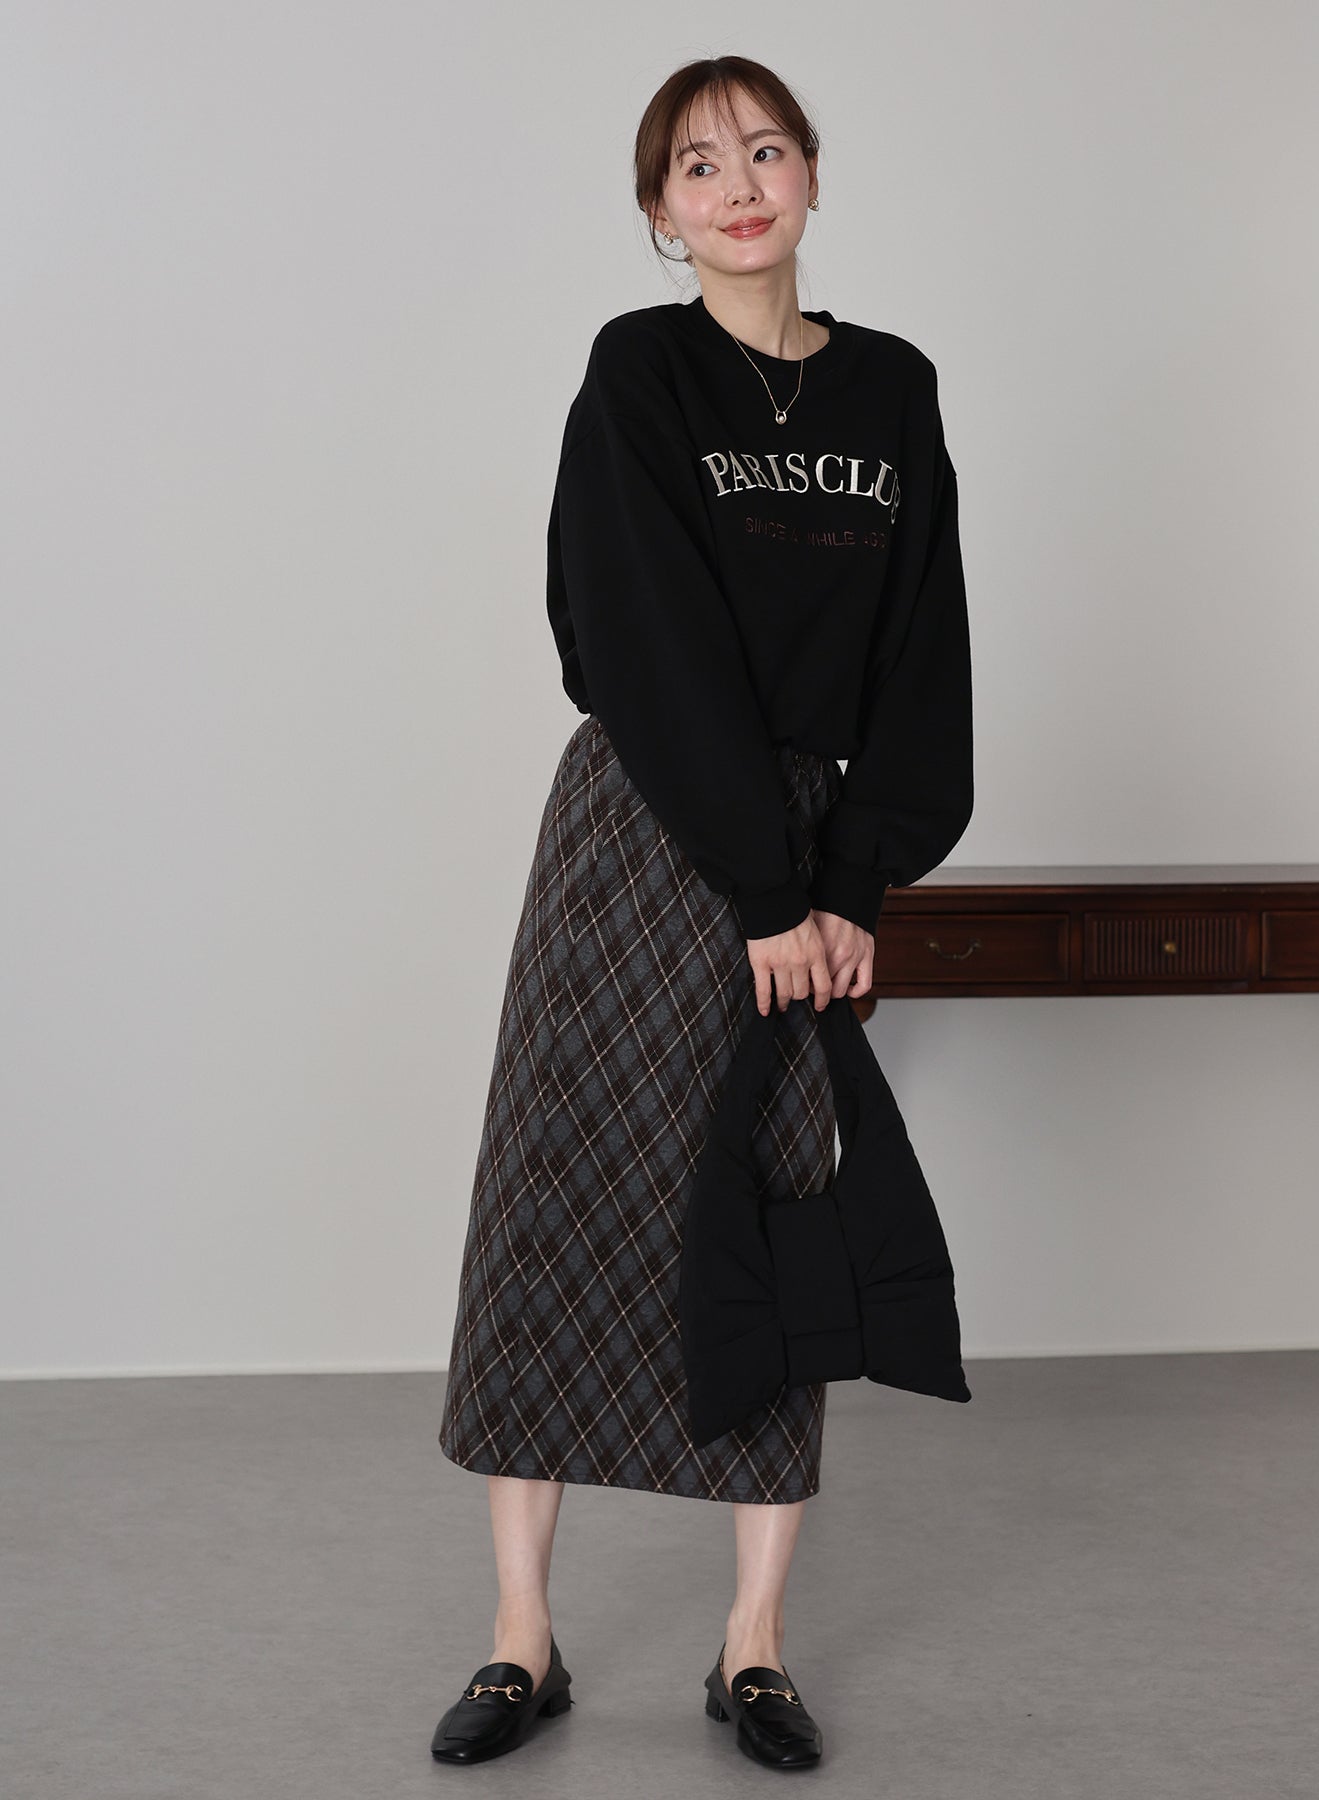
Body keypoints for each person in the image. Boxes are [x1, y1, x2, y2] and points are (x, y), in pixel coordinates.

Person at [430, 54, 973, 1771]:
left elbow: (925, 648)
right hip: (648, 826)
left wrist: (849, 880)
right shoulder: (641, 370)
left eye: (765, 150)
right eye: (696, 165)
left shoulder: (892, 388)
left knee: (775, 1207)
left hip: (809, 853)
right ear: (660, 214)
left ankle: (754, 1646)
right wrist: (761, 879)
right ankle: (521, 1636)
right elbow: (633, 629)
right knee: (557, 1190)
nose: (737, 185)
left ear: (812, 173)